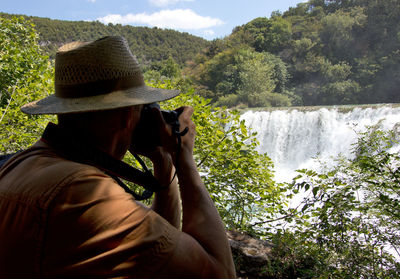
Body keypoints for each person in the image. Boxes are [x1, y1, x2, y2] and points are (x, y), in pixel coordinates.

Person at [0, 36, 235, 278]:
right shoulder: (83, 194)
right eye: (142, 109)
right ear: (126, 116)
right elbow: (220, 272)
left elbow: (158, 255)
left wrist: (163, 161)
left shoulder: (21, 163)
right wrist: (184, 158)